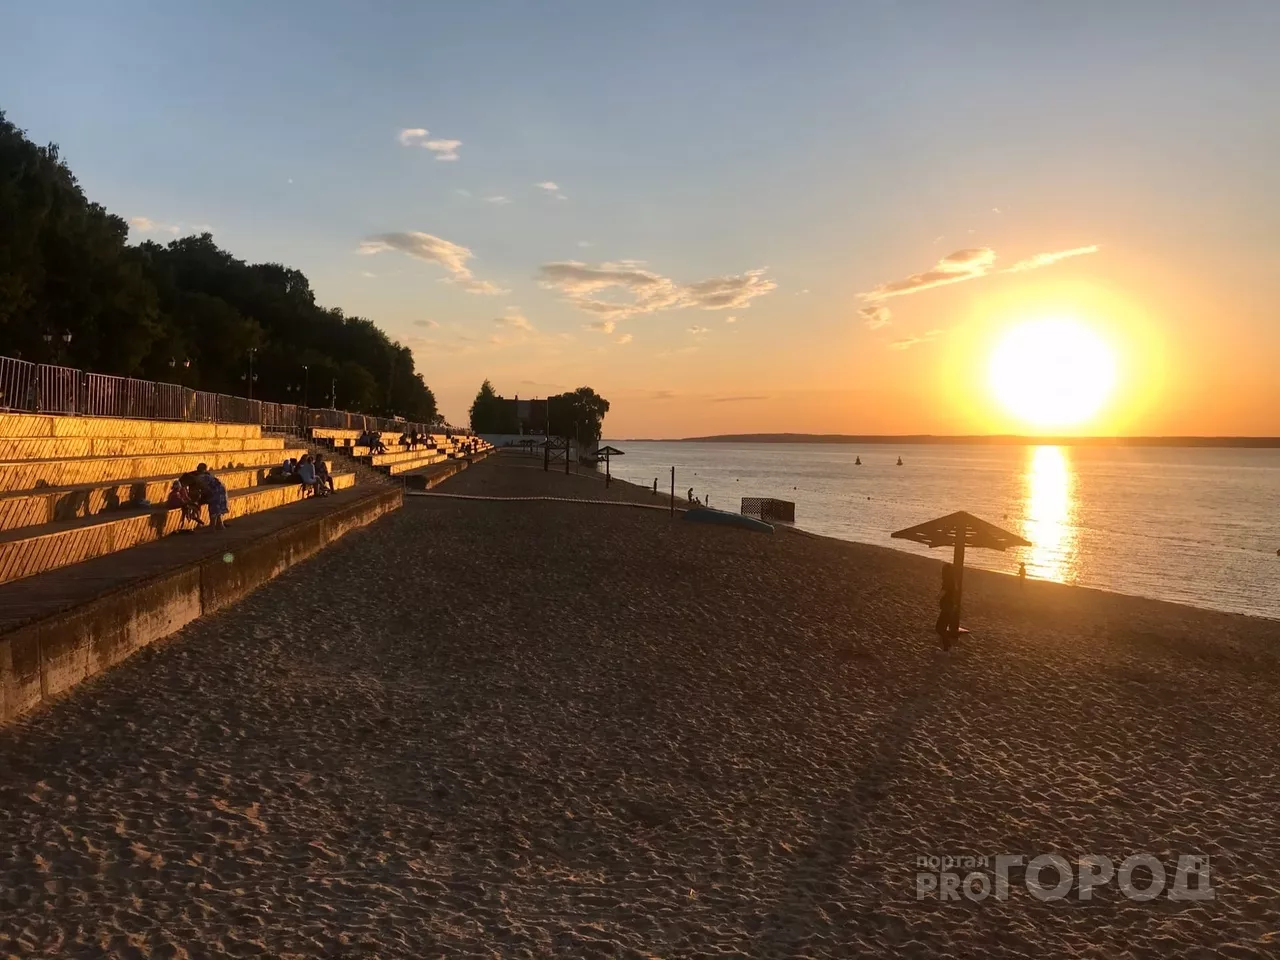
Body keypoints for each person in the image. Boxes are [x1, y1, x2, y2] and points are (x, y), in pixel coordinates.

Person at [193, 463, 229, 530]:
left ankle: (212, 527)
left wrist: (201, 495)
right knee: (217, 508)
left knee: (213, 508)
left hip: (215, 492)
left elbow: (205, 488)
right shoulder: (209, 475)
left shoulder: (200, 478)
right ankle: (220, 524)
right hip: (221, 491)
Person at [936, 564, 958, 644]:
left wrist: (938, 596)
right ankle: (946, 644)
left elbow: (944, 591)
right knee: (942, 626)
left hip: (947, 607)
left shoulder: (947, 582)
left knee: (940, 628)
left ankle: (947, 644)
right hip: (949, 606)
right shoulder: (952, 581)